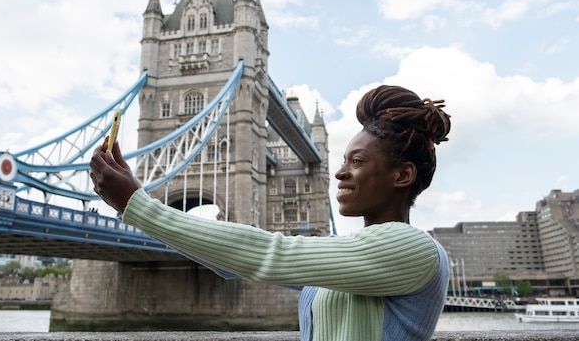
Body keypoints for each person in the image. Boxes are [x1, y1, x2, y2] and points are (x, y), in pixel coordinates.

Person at [90, 84, 451, 341]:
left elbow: (269, 255)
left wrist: (137, 205)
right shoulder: (352, 253)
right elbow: (234, 262)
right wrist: (134, 198)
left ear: (402, 175)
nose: (340, 172)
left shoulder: (412, 250)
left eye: (357, 162)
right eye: (343, 160)